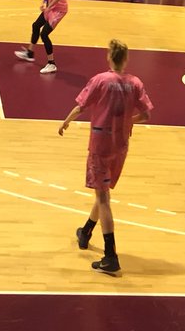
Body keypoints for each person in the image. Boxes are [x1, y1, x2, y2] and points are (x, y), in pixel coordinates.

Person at [58, 38, 153, 275]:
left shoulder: (101, 80)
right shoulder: (135, 83)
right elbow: (146, 115)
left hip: (100, 144)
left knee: (104, 199)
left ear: (110, 57)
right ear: (126, 59)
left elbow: (81, 106)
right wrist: (125, 121)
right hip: (120, 146)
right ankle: (86, 231)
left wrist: (66, 121)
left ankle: (110, 256)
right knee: (104, 191)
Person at [14, 0, 68, 74]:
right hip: (50, 7)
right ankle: (29, 53)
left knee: (44, 34)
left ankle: (51, 64)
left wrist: (49, 6)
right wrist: (45, 3)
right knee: (36, 25)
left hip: (59, 9)